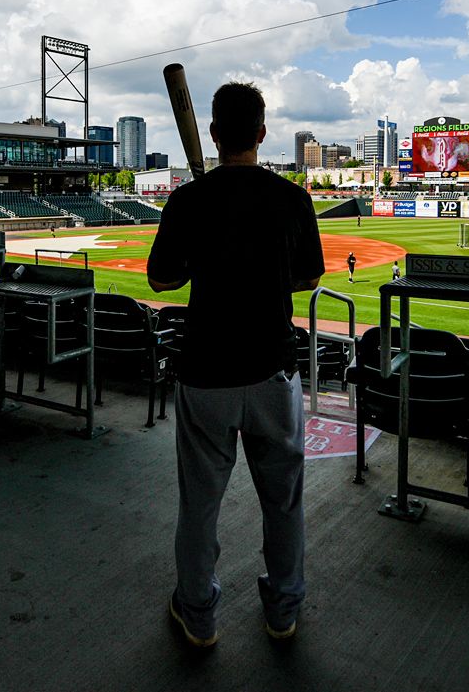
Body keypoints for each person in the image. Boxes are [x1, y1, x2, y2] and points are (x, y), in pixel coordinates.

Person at [147, 81, 325, 648]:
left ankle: (197, 614)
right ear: (262, 133)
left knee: (199, 506)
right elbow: (308, 277)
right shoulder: (291, 196)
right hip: (274, 370)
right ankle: (283, 611)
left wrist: (207, 252)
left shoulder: (189, 200)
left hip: (206, 375)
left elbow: (162, 279)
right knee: (284, 502)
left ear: (216, 134)